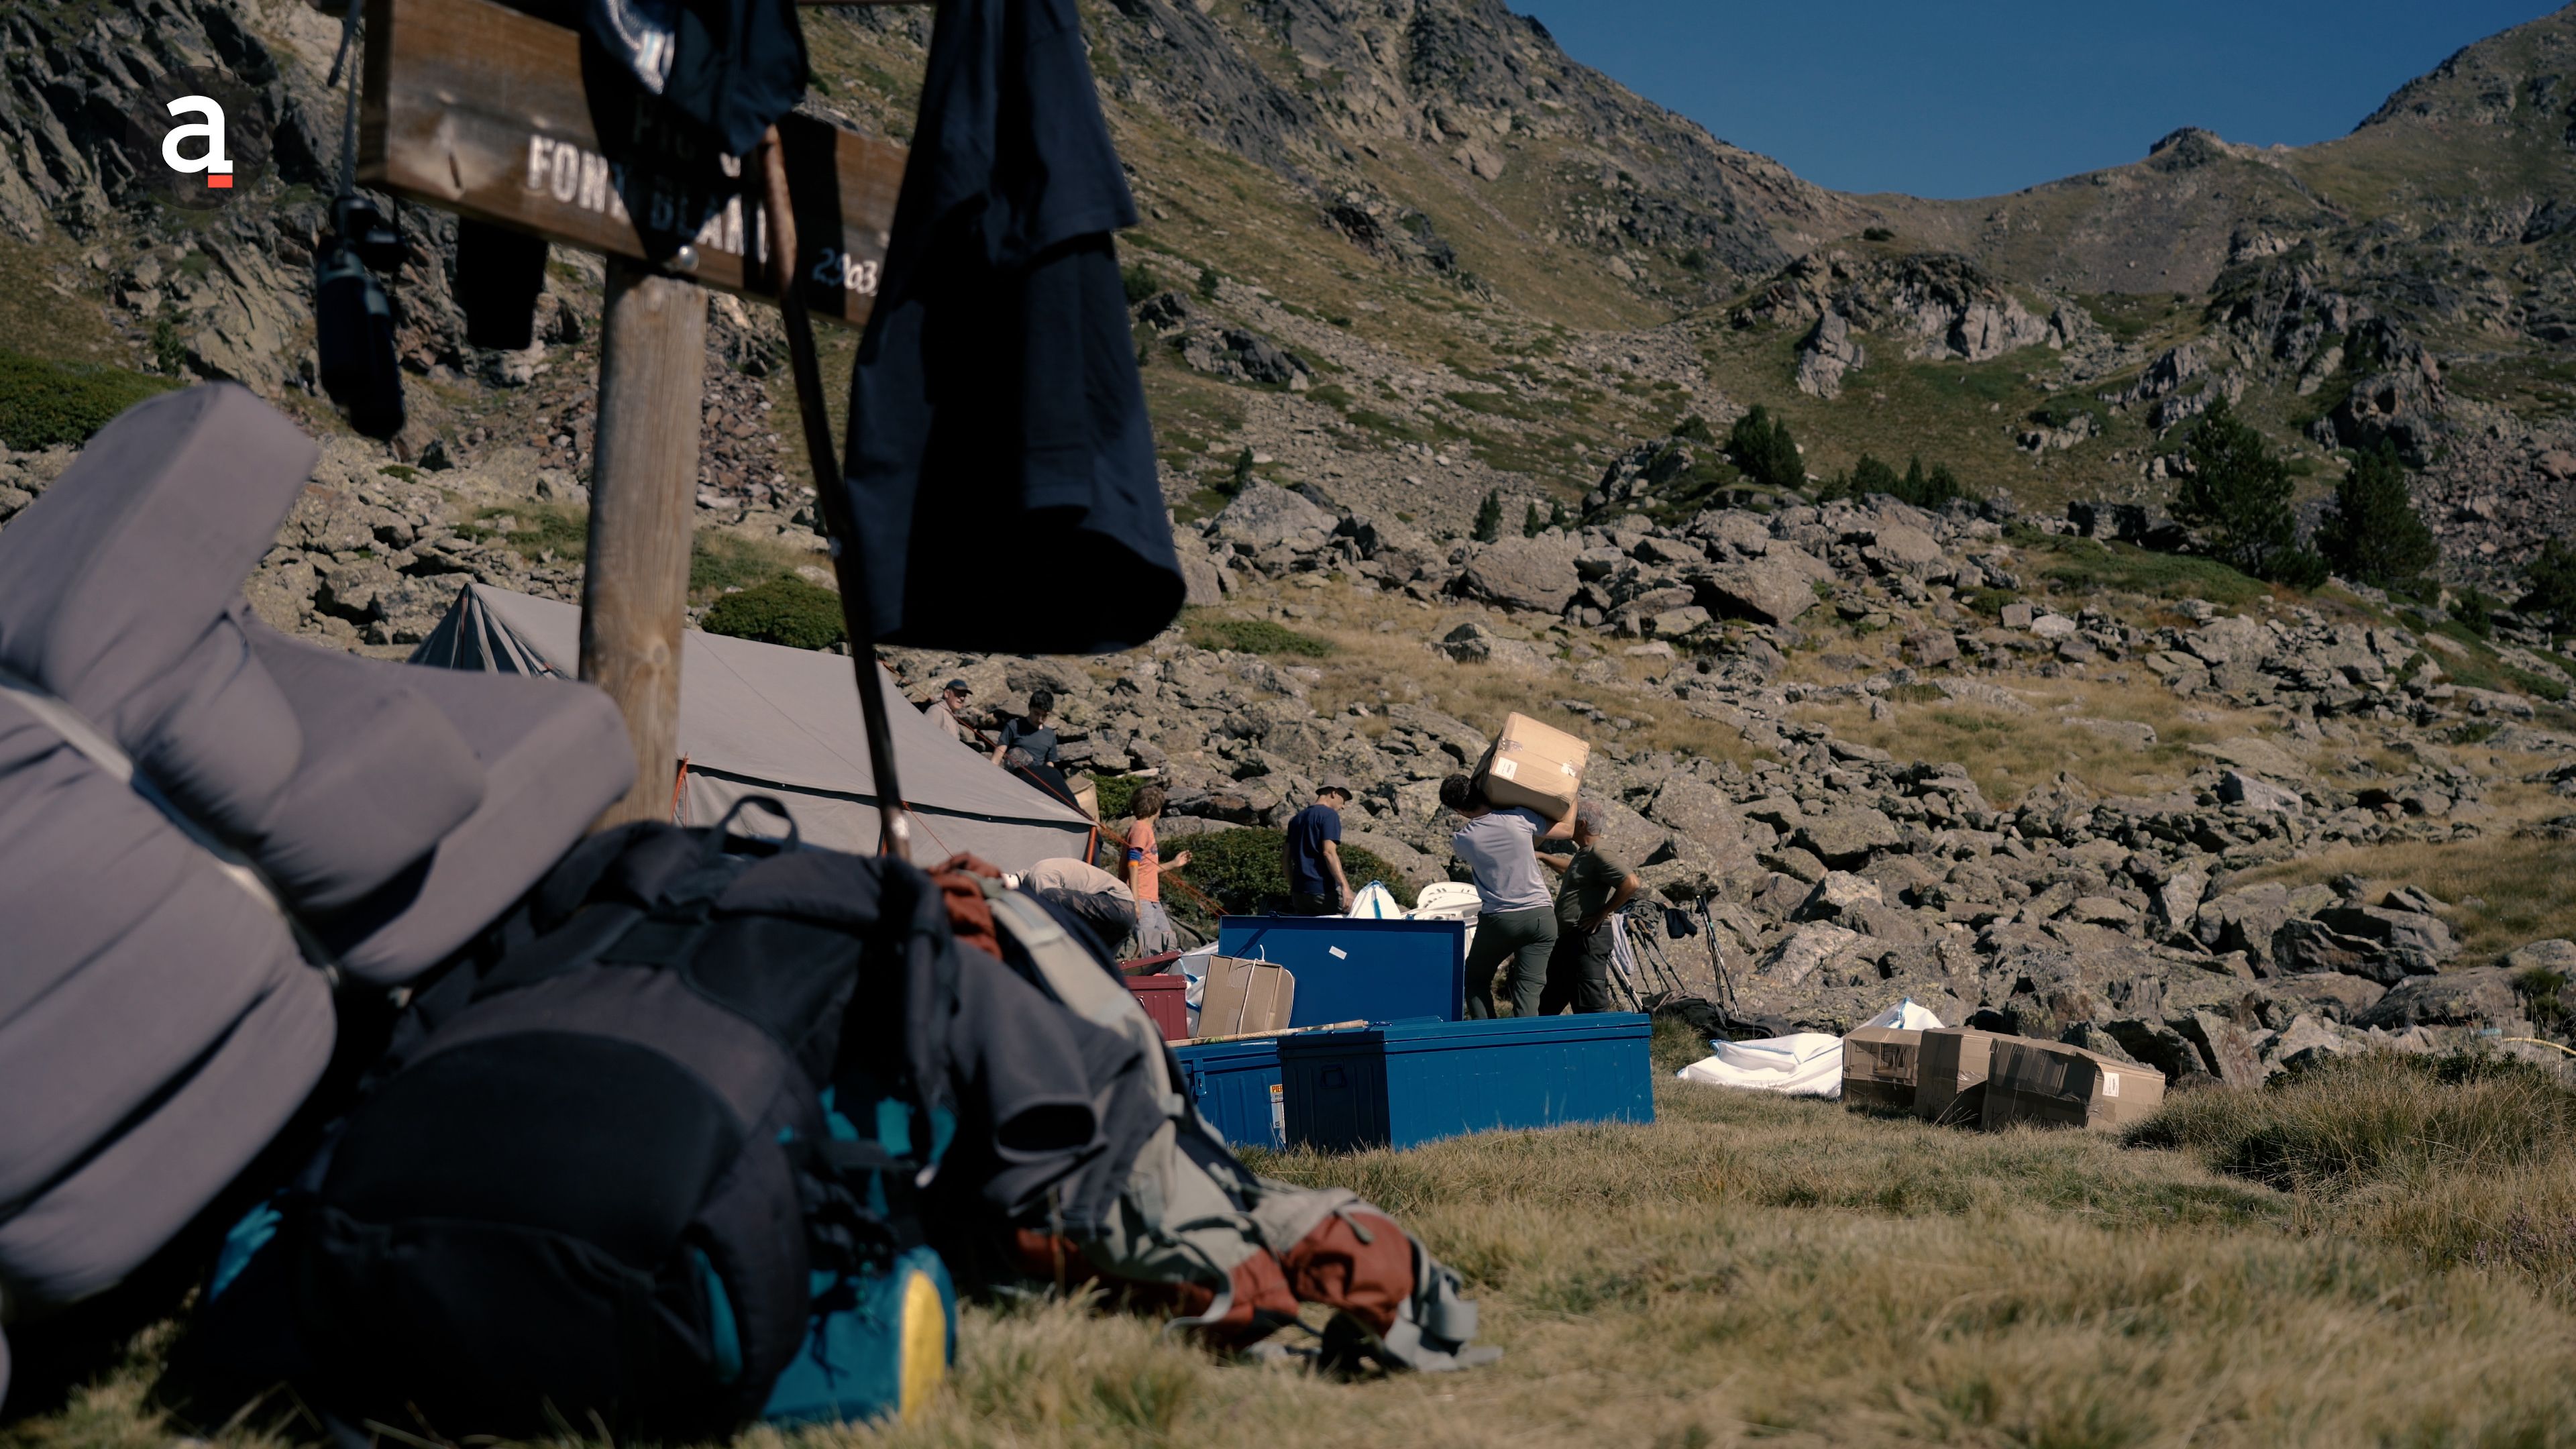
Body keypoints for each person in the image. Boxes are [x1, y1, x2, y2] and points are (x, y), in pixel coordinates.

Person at [1441, 773, 1572, 1018]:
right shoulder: (1519, 817)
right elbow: (1567, 830)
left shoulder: (1462, 840)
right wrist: (1571, 796)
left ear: (1458, 809)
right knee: (1529, 989)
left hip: (1500, 920)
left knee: (1476, 979)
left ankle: (1490, 1037)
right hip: (1541, 917)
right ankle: (1527, 1045)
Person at [1534, 797, 1640, 1015]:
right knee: (1549, 1000)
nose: (1566, 825)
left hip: (1587, 939)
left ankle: (1601, 1046)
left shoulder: (1599, 852)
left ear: (1581, 825)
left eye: (1570, 821)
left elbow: (1631, 882)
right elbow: (1571, 869)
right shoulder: (1585, 854)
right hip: (1570, 939)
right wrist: (1544, 856)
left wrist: (1602, 913)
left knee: (1590, 1005)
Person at [1121, 785, 1191, 955]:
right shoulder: (1140, 829)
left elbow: (1147, 869)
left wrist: (1174, 864)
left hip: (1152, 899)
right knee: (1148, 946)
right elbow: (1133, 864)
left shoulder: (1144, 829)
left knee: (1168, 941)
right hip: (1142, 899)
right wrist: (1136, 900)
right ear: (1155, 808)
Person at [1281, 777, 1354, 916]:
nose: (1343, 806)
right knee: (1360, 913)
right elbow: (1329, 853)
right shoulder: (1329, 815)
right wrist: (1345, 888)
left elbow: (1285, 858)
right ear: (1334, 793)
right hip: (1323, 891)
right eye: (1344, 800)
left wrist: (1294, 887)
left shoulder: (1297, 819)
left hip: (1299, 893)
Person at [991, 689, 1062, 767]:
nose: (1040, 719)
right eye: (1036, 713)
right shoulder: (1014, 725)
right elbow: (999, 751)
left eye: (1044, 716)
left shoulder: (1050, 735)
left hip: (1036, 776)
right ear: (1029, 707)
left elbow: (1050, 762)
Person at [921, 677, 977, 746]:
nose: (962, 698)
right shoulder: (937, 710)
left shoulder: (952, 717)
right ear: (947, 693)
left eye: (964, 695)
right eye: (959, 694)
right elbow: (923, 736)